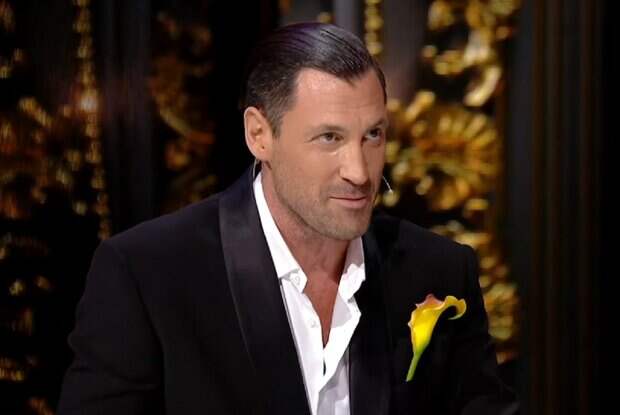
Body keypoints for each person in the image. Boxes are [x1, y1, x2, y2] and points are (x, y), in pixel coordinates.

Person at [57, 22, 518, 415]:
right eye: (329, 138)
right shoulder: (147, 274)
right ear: (259, 135)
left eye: (373, 135)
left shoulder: (438, 270)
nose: (360, 172)